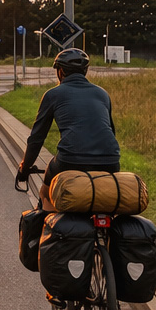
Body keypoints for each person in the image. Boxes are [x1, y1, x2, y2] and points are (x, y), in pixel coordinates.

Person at [15, 48, 121, 206]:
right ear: (85, 71)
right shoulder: (102, 94)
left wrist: (25, 168)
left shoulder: (53, 94)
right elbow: (110, 131)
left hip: (71, 160)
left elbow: (37, 138)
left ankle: (46, 218)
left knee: (46, 193)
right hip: (110, 160)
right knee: (105, 202)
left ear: (61, 71)